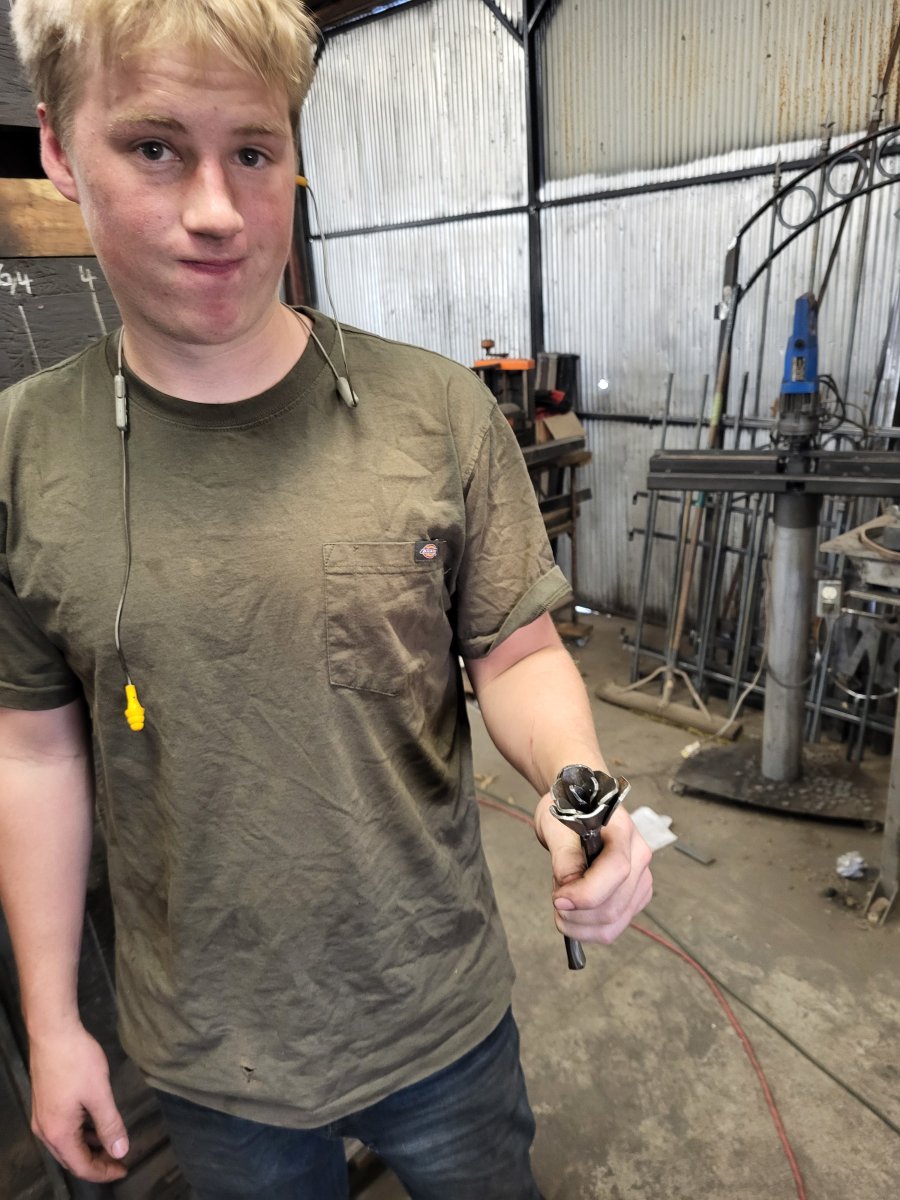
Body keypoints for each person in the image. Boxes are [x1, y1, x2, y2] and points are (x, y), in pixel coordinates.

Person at [0, 2, 652, 1197]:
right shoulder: (21, 455)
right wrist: (53, 1023)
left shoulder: (436, 414)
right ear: (58, 148)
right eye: (155, 147)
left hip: (440, 1019)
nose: (215, 209)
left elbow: (515, 654)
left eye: (253, 151)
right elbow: (33, 750)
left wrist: (579, 790)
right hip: (209, 1055)